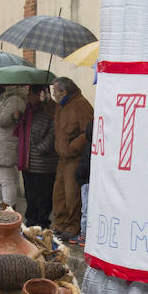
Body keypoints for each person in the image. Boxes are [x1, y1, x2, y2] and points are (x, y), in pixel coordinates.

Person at [51, 77, 94, 241]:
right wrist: (47, 102)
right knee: (59, 193)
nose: (54, 95)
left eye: (55, 92)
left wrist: (72, 148)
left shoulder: (81, 105)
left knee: (72, 194)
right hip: (62, 159)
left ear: (64, 92)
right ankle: (60, 223)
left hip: (74, 158)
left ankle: (72, 226)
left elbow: (88, 132)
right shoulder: (61, 106)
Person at [15, 85, 58, 228]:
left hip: (44, 162)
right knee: (30, 194)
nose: (28, 96)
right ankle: (31, 220)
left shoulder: (49, 111)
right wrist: (18, 118)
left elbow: (53, 132)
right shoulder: (28, 111)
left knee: (43, 195)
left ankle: (42, 222)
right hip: (28, 161)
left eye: (30, 94)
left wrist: (41, 148)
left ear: (39, 94)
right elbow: (22, 131)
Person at [0, 84, 27, 210]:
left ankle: (8, 211)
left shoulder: (15, 99)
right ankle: (0, 208)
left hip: (6, 146)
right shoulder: (6, 97)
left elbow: (2, 119)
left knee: (6, 181)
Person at [72, 117, 93, 246]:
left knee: (86, 209)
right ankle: (85, 233)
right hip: (86, 180)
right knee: (86, 209)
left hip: (86, 181)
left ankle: (85, 235)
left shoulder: (89, 147)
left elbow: (85, 165)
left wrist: (80, 177)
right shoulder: (91, 146)